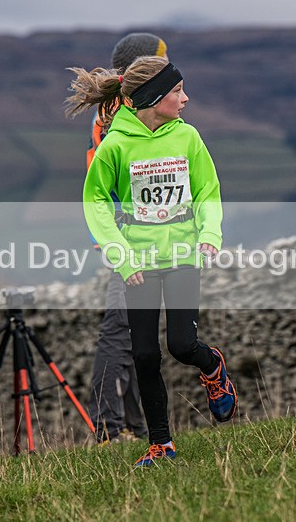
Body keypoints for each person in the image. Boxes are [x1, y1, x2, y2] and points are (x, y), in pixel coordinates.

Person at [67, 56, 238, 468]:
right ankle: (160, 443)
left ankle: (212, 366)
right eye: (178, 91)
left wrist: (209, 234)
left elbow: (208, 191)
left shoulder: (188, 138)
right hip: (138, 262)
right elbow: (96, 204)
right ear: (154, 97)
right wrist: (121, 255)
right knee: (144, 354)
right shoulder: (116, 145)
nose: (186, 98)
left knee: (180, 345)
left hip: (182, 254)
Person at [87, 33, 169, 445]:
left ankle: (136, 426)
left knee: (138, 330)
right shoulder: (127, 113)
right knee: (120, 329)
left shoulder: (117, 108)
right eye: (163, 62)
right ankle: (107, 428)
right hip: (132, 236)